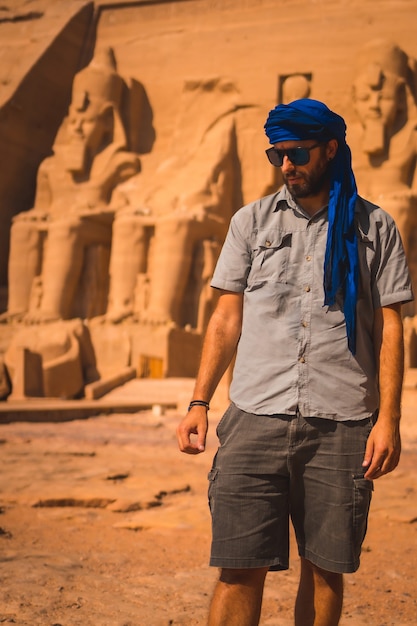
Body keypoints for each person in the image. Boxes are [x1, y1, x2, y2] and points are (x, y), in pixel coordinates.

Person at [176, 98, 413, 626]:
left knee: (326, 569)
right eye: (276, 154)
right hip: (255, 416)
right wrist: (199, 401)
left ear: (330, 150)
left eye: (298, 153)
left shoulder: (376, 228)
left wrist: (391, 421)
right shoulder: (250, 222)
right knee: (239, 567)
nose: (287, 165)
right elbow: (225, 320)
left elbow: (392, 329)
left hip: (342, 423)